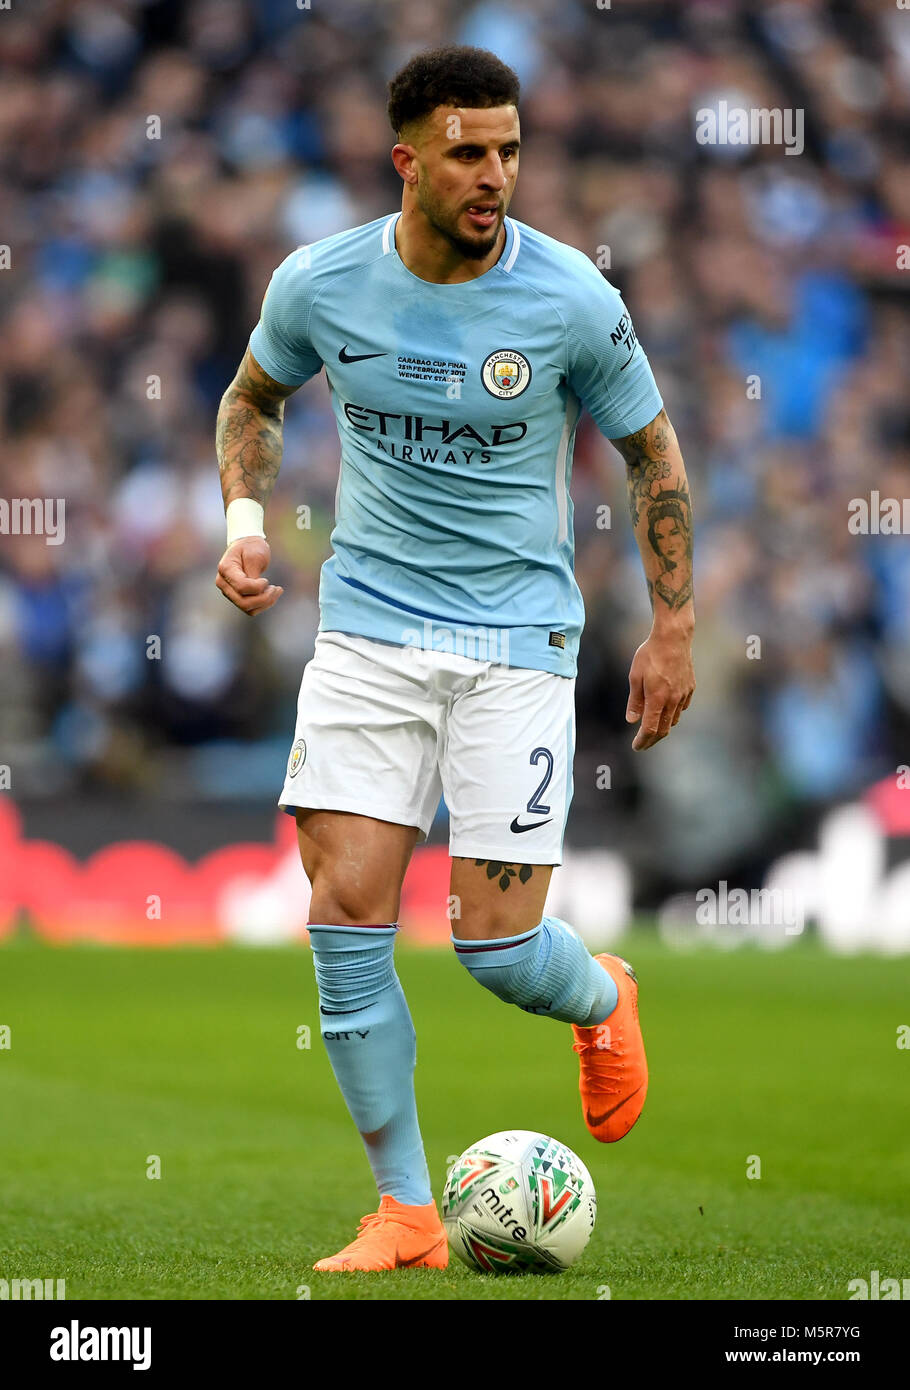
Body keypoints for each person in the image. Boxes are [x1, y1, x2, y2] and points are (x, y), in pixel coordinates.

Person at [214, 45, 695, 1273]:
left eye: (510, 150)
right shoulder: (321, 283)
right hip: (369, 626)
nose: (496, 176)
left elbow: (652, 456)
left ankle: (599, 994)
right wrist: (244, 528)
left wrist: (674, 625)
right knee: (346, 914)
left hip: (515, 641)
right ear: (408, 160)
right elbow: (251, 398)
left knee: (492, 947)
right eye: (470, 153)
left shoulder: (571, 297)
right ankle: (407, 1212)